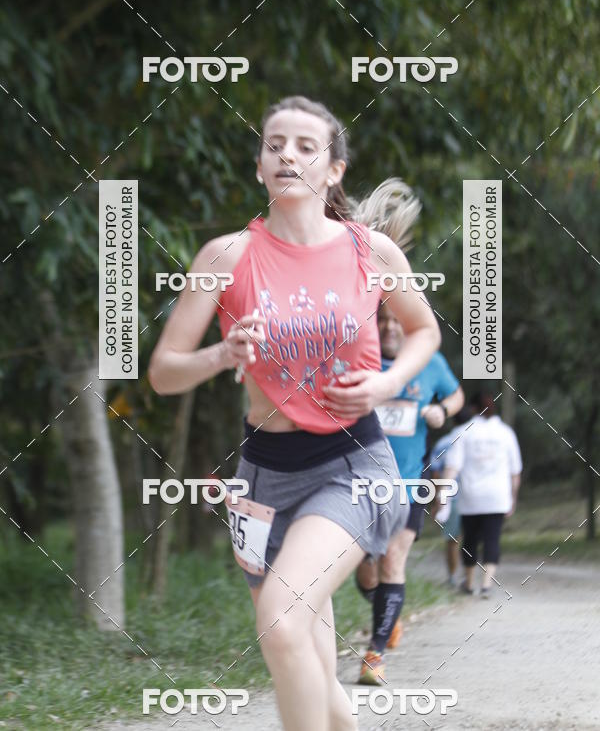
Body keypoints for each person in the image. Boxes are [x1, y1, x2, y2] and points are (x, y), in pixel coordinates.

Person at [148, 95, 442, 731]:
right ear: (259, 166)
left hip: (353, 464)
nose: (287, 154)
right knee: (307, 656)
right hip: (262, 478)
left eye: (307, 146)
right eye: (274, 144)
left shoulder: (371, 252)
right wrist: (222, 354)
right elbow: (164, 372)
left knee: (280, 621)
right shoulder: (225, 258)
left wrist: (387, 383)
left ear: (333, 170)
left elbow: (425, 331)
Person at [355, 301, 464, 685]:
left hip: (408, 482)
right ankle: (390, 613)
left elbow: (456, 395)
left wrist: (442, 411)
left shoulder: (428, 362)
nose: (389, 327)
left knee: (392, 561)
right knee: (366, 572)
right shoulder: (358, 358)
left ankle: (375, 655)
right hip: (359, 486)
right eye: (381, 319)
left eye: (396, 320)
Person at [444, 392, 522, 598]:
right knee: (492, 539)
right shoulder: (506, 433)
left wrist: (442, 494)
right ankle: (486, 585)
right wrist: (513, 498)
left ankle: (469, 583)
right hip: (498, 496)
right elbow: (515, 471)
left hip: (471, 497)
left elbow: (452, 467)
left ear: (472, 409)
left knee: (470, 539)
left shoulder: (462, 432)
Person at [429, 404, 475, 586]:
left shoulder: (443, 443)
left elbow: (435, 473)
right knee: (471, 538)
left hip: (451, 497)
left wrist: (436, 500)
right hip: (473, 496)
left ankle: (453, 577)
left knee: (452, 539)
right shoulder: (477, 439)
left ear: (453, 421)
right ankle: (469, 577)